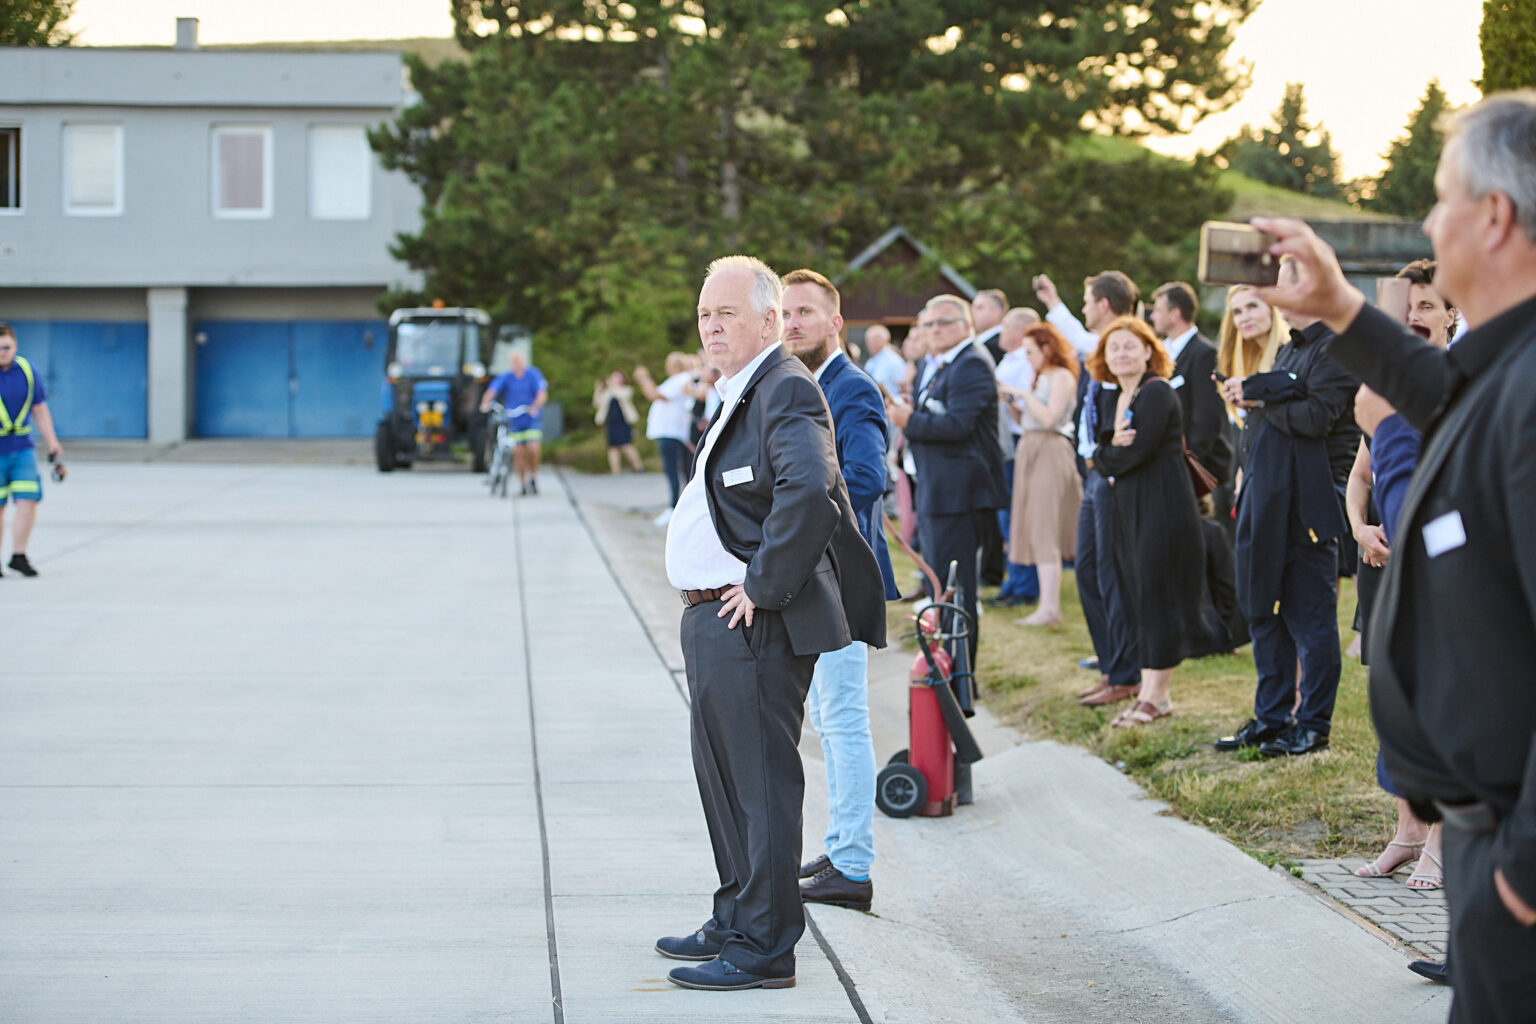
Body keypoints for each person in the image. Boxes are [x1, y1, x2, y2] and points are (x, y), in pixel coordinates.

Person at [1249, 90, 1536, 1023]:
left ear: (1493, 217)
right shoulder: (1505, 362)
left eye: (1443, 196)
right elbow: (1439, 393)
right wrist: (1335, 304)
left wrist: (1519, 879)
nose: (1427, 219)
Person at [655, 255, 885, 993]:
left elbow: (812, 489)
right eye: (703, 316)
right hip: (713, 620)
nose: (711, 327)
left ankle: (764, 947)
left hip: (753, 621)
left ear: (767, 319)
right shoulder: (738, 393)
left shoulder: (785, 387)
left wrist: (763, 583)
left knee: (761, 785)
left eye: (725, 313)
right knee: (724, 782)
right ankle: (734, 916)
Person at [780, 268, 899, 913]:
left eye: (806, 313)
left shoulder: (850, 390)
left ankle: (853, 868)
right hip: (818, 577)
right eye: (786, 313)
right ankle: (841, 843)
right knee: (827, 719)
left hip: (843, 577)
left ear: (835, 324)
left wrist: (797, 516)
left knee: (845, 721)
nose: (793, 323)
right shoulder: (806, 385)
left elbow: (865, 475)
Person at [1214, 264, 1358, 759]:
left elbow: (1317, 418)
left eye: (1285, 286)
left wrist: (1258, 395)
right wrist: (1267, 394)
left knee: (1311, 620)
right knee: (1263, 612)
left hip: (1309, 505)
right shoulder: (1291, 347)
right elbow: (1276, 418)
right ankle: (1271, 717)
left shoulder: (1338, 347)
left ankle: (1312, 724)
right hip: (1264, 501)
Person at [1347, 259, 1456, 890]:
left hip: (1438, 569)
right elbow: (1359, 477)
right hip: (1379, 563)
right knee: (1393, 701)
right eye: (1406, 306)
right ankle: (1407, 833)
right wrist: (1361, 528)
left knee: (1438, 704)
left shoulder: (1458, 385)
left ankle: (1441, 846)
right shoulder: (1382, 386)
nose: (1414, 317)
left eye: (1427, 306)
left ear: (1449, 315)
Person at [1088, 317, 1207, 726]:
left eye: (1129, 345)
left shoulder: (1156, 393)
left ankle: (1156, 696)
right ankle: (1149, 689)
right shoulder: (1115, 397)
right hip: (1128, 509)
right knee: (1136, 597)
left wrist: (1102, 456)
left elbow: (1129, 455)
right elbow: (1107, 449)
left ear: (1148, 351)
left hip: (1162, 510)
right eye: (1113, 347)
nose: (1121, 353)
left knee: (1157, 599)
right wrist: (1106, 452)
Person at [884, 294, 1009, 677]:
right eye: (928, 324)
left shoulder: (970, 363)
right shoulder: (934, 365)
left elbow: (958, 426)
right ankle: (943, 665)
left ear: (965, 325)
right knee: (939, 586)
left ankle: (959, 676)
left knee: (955, 591)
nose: (934, 330)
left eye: (943, 322)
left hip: (960, 494)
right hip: (936, 488)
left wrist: (908, 420)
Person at [1035, 270, 1144, 707]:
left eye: (1086, 301)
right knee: (1089, 572)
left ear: (1103, 304)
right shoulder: (1102, 345)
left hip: (1113, 474)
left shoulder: (1122, 344)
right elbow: (1081, 340)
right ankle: (1111, 663)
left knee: (1112, 575)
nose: (1083, 309)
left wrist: (1053, 304)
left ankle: (1126, 672)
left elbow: (1081, 342)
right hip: (1094, 470)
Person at [999, 321, 1080, 627]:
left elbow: (1049, 418)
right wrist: (1013, 404)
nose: (1028, 357)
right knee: (1033, 524)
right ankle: (1047, 604)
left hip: (1049, 449)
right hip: (1029, 449)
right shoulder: (1039, 378)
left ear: (1048, 348)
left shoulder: (1060, 376)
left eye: (1031, 351)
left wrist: (1022, 392)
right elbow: (1027, 418)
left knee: (1046, 526)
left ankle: (1050, 607)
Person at [1150, 281, 1231, 488]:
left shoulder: (1204, 353)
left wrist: (1189, 462)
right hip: (1166, 465)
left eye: (1158, 310)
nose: (1152, 316)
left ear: (1175, 314)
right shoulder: (1160, 352)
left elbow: (1207, 417)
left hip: (1197, 469)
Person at [0, 323, 64, 577]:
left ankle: (19, 555)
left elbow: (39, 408)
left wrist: (52, 442)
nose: (2, 352)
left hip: (22, 447)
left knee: (28, 500)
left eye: (6, 347)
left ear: (15, 346)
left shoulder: (27, 371)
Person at [990, 307, 1044, 609]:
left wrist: (1007, 398)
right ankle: (1013, 580)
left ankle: (1026, 584)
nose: (1001, 330)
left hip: (1018, 440)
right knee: (1006, 517)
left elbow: (1024, 403)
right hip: (1004, 445)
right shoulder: (1009, 360)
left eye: (1007, 325)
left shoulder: (1025, 362)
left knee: (1018, 517)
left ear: (1022, 331)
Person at [636, 352, 696, 525]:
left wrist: (644, 378)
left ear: (675, 365)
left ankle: (674, 507)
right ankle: (675, 507)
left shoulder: (680, 379)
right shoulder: (676, 380)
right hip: (670, 432)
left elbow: (654, 395)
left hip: (672, 432)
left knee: (673, 470)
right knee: (676, 470)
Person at [478, 351, 548, 496]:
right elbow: (492, 391)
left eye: (518, 360)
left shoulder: (533, 374)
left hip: (530, 419)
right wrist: (485, 403)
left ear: (523, 361)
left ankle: (533, 476)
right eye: (513, 361)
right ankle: (522, 483)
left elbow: (542, 393)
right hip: (514, 420)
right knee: (518, 453)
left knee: (533, 448)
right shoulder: (506, 377)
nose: (515, 363)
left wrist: (535, 406)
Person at [592, 370, 644, 474]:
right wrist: (598, 389)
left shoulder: (626, 390)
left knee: (626, 446)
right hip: (611, 423)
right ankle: (615, 471)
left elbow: (621, 395)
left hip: (623, 422)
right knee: (612, 448)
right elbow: (597, 403)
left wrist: (611, 385)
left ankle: (639, 467)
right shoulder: (607, 392)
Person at [861, 323, 906, 398]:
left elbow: (902, 388)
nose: (870, 343)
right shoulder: (871, 361)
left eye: (875, 339)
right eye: (868, 340)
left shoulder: (894, 361)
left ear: (885, 340)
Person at [972, 288, 1008, 365]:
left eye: (979, 307)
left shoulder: (1000, 345)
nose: (972, 312)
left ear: (996, 313)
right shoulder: (979, 342)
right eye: (973, 307)